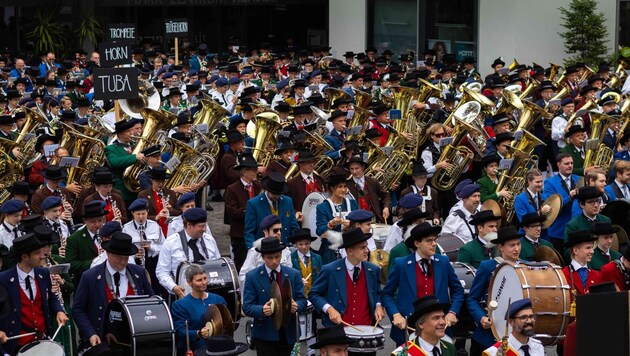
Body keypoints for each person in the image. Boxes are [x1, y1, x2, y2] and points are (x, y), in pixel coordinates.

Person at [382, 222, 465, 345]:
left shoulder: (443, 262)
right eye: (429, 241)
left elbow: (458, 290)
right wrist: (395, 314)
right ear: (417, 243)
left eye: (434, 240)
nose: (434, 244)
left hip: (439, 328)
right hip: (409, 328)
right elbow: (386, 294)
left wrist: (452, 312)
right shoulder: (402, 264)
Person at [309, 228, 385, 356]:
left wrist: (378, 306)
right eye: (362, 248)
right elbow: (314, 294)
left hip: (366, 335)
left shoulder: (373, 270)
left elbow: (377, 293)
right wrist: (329, 309)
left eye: (366, 246)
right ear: (349, 251)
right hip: (339, 335)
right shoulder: (330, 270)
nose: (367, 251)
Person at [72, 232, 153, 350]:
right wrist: (90, 333)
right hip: (103, 341)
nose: (123, 261)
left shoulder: (138, 273)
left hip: (134, 339)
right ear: (108, 253)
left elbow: (150, 302)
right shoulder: (90, 276)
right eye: (119, 257)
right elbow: (78, 309)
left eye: (126, 257)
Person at [0, 233, 67, 354]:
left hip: (42, 340)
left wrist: (59, 310)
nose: (43, 256)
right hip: (17, 344)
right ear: (25, 257)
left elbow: (51, 297)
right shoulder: (3, 280)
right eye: (37, 253)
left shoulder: (43, 274)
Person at [242, 237, 307, 356]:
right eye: (270, 258)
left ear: (281, 254)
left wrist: (297, 305)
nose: (274, 261)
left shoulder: (294, 274)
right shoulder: (252, 276)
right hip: (265, 334)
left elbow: (302, 300)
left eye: (277, 256)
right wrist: (261, 309)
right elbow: (247, 306)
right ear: (262, 257)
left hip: (288, 333)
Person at [467, 226, 522, 356]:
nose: (517, 248)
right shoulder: (487, 267)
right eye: (512, 245)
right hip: (487, 337)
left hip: (516, 335)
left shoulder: (524, 267)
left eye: (519, 244)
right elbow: (472, 299)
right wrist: (481, 318)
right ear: (501, 247)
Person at [157, 208, 220, 298]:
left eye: (205, 226)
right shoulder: (171, 242)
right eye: (201, 226)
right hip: (183, 295)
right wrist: (174, 287)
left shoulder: (209, 240)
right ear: (189, 225)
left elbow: (217, 264)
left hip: (209, 293)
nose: (204, 229)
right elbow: (162, 272)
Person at [171, 264, 227, 355]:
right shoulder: (180, 305)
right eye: (199, 280)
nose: (204, 282)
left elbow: (226, 325)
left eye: (205, 278)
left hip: (218, 349)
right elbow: (180, 331)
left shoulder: (218, 300)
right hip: (196, 350)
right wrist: (198, 333)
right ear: (189, 282)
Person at [224, 153, 262, 270]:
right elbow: (232, 212)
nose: (257, 172)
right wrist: (251, 211)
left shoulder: (259, 186)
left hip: (257, 233)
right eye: (254, 170)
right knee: (242, 266)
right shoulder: (232, 189)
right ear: (245, 172)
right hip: (240, 236)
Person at [244, 172, 300, 249]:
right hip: (263, 250)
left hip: (285, 248)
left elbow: (294, 226)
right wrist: (253, 250)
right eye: (274, 194)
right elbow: (249, 232)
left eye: (279, 194)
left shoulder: (288, 201)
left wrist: (298, 243)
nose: (276, 196)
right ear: (267, 190)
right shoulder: (253, 204)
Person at [392, 295, 457, 356]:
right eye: (436, 318)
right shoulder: (403, 354)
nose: (443, 322)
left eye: (443, 317)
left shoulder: (450, 348)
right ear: (421, 324)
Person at [315, 173, 359, 264]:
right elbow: (319, 230)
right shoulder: (323, 207)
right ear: (332, 188)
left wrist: (351, 224)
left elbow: (360, 222)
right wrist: (330, 224)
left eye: (345, 186)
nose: (343, 190)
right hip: (331, 251)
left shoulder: (352, 203)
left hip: (351, 247)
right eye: (340, 187)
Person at [239, 215, 293, 287]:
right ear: (265, 231)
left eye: (280, 230)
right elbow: (243, 276)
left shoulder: (285, 251)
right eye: (275, 230)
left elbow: (289, 274)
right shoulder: (255, 251)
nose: (279, 233)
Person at [64, 200, 107, 287]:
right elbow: (71, 265)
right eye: (93, 222)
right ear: (85, 221)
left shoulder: (108, 234)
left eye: (100, 220)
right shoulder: (74, 239)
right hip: (86, 283)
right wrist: (94, 262)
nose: (97, 224)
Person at [543, 153, 579, 254]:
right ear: (558, 165)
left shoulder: (579, 179)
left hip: (577, 229)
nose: (570, 166)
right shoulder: (550, 183)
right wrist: (569, 197)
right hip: (559, 231)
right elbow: (550, 205)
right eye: (566, 163)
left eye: (571, 163)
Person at [104, 118, 145, 206]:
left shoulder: (135, 146)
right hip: (123, 189)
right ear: (120, 134)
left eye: (131, 130)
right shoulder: (111, 148)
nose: (131, 133)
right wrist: (134, 157)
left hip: (138, 188)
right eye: (128, 131)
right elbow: (114, 162)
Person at [564, 186, 611, 257]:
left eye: (598, 201)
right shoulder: (573, 225)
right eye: (591, 202)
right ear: (582, 204)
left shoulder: (606, 220)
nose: (596, 205)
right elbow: (568, 252)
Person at [345, 154, 390, 223]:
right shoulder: (346, 184)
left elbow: (385, 196)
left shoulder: (373, 181)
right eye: (352, 169)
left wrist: (386, 207)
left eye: (357, 168)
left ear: (362, 167)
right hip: (355, 220)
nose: (354, 172)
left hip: (373, 219)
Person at [137, 167, 182, 235]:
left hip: (170, 230)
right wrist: (156, 217)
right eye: (157, 182)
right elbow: (138, 216)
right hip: (151, 230)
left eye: (162, 181)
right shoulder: (143, 195)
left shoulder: (171, 193)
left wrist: (171, 209)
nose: (160, 184)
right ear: (152, 180)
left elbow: (180, 213)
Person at [287, 149, 326, 219]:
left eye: (313, 162)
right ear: (300, 164)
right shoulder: (292, 183)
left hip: (321, 218)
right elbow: (287, 205)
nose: (312, 165)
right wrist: (295, 213)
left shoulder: (320, 179)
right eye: (308, 162)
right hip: (302, 220)